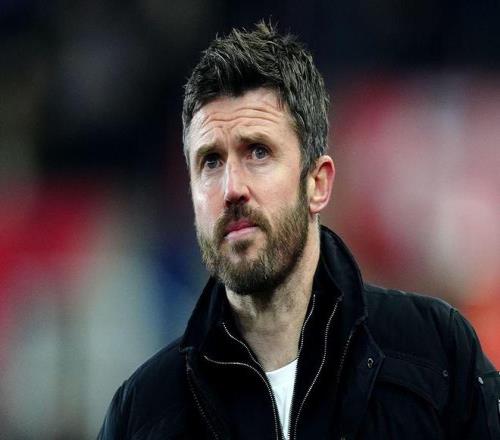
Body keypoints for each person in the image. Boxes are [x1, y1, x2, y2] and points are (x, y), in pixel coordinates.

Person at [98, 22, 500, 439]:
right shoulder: (142, 412)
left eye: (258, 152)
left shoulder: (437, 355)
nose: (232, 188)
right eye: (211, 161)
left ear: (317, 183)